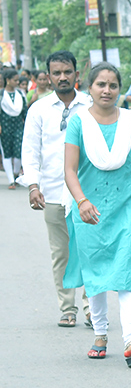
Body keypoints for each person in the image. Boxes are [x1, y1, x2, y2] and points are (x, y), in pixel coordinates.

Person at [63, 62, 131, 367]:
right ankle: (100, 332)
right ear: (89, 87)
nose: (107, 90)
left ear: (120, 89)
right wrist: (81, 202)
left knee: (128, 267)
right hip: (89, 207)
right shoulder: (78, 122)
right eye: (101, 85)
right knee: (94, 269)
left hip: (126, 206)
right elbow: (69, 170)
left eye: (113, 85)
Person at [19, 51, 91, 327]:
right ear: (48, 77)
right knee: (61, 252)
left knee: (88, 250)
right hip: (50, 191)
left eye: (67, 71)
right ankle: (67, 307)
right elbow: (30, 150)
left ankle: (90, 307)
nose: (63, 77)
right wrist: (33, 185)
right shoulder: (38, 109)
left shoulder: (90, 106)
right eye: (57, 73)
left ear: (76, 74)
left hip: (85, 194)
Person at [0, 67, 27, 188]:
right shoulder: (1, 95)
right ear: (8, 80)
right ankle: (11, 181)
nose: (17, 82)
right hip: (4, 127)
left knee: (18, 153)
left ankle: (16, 174)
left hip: (18, 126)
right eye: (15, 80)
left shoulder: (21, 94)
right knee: (7, 153)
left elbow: (24, 112)